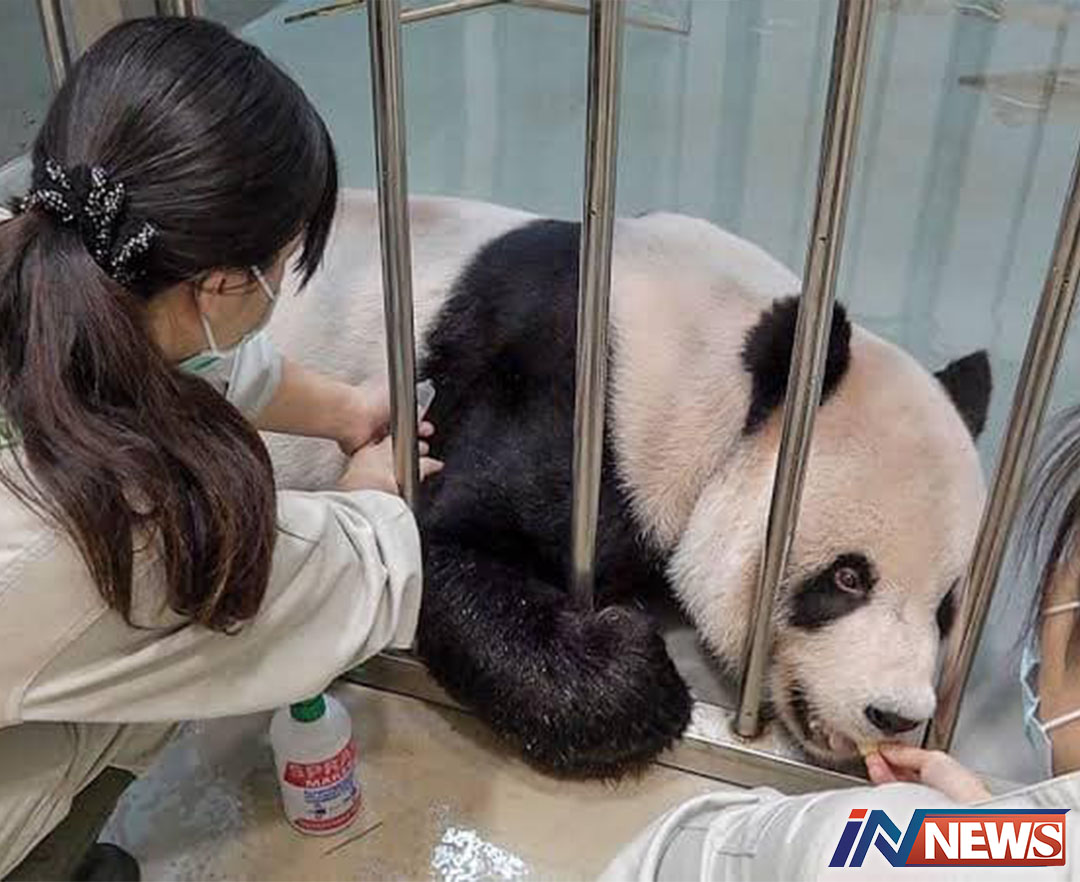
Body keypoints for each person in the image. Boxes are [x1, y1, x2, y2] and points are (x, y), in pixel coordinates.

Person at [0, 18, 441, 880]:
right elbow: (341, 581)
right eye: (285, 263)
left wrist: (349, 410)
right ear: (222, 284)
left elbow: (177, 355)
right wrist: (371, 493)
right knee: (158, 678)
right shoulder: (113, 524)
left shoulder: (48, 252)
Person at [601, 405, 1080, 882]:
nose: (918, 702)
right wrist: (993, 825)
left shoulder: (888, 845)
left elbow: (676, 856)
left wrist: (950, 835)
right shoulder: (1030, 845)